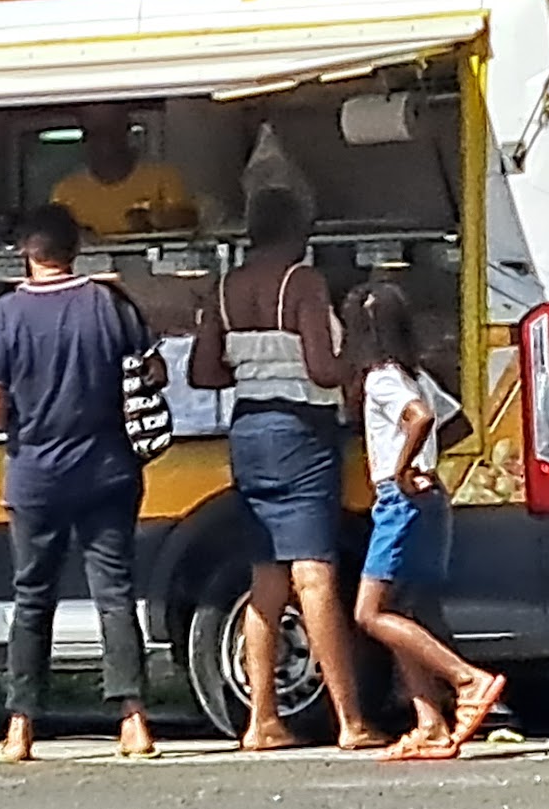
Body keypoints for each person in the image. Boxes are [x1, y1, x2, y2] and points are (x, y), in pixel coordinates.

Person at [188, 187, 385, 751]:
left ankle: (261, 721)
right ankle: (351, 719)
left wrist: (252, 366)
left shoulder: (225, 289)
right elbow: (323, 370)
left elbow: (205, 373)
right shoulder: (302, 283)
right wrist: (360, 356)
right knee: (315, 574)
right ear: (300, 231)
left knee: (266, 579)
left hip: (248, 430)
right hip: (300, 431)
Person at [0, 204, 163, 762]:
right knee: (114, 594)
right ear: (77, 248)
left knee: (33, 597)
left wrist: (17, 419)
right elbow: (152, 372)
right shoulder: (109, 304)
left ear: (27, 253)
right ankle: (133, 723)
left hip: (35, 475)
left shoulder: (5, 314)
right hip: (109, 470)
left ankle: (21, 727)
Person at [343, 281, 504, 761]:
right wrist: (427, 464)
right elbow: (456, 422)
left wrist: (401, 467)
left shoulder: (381, 379)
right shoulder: (415, 374)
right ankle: (430, 723)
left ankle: (466, 680)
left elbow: (420, 419)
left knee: (369, 613)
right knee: (405, 612)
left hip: (400, 501)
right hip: (430, 500)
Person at [51, 106, 196, 236]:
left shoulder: (162, 176)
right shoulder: (66, 191)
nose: (105, 141)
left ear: (126, 133)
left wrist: (153, 220)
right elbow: (54, 238)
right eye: (95, 133)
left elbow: (189, 220)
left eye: (112, 131)